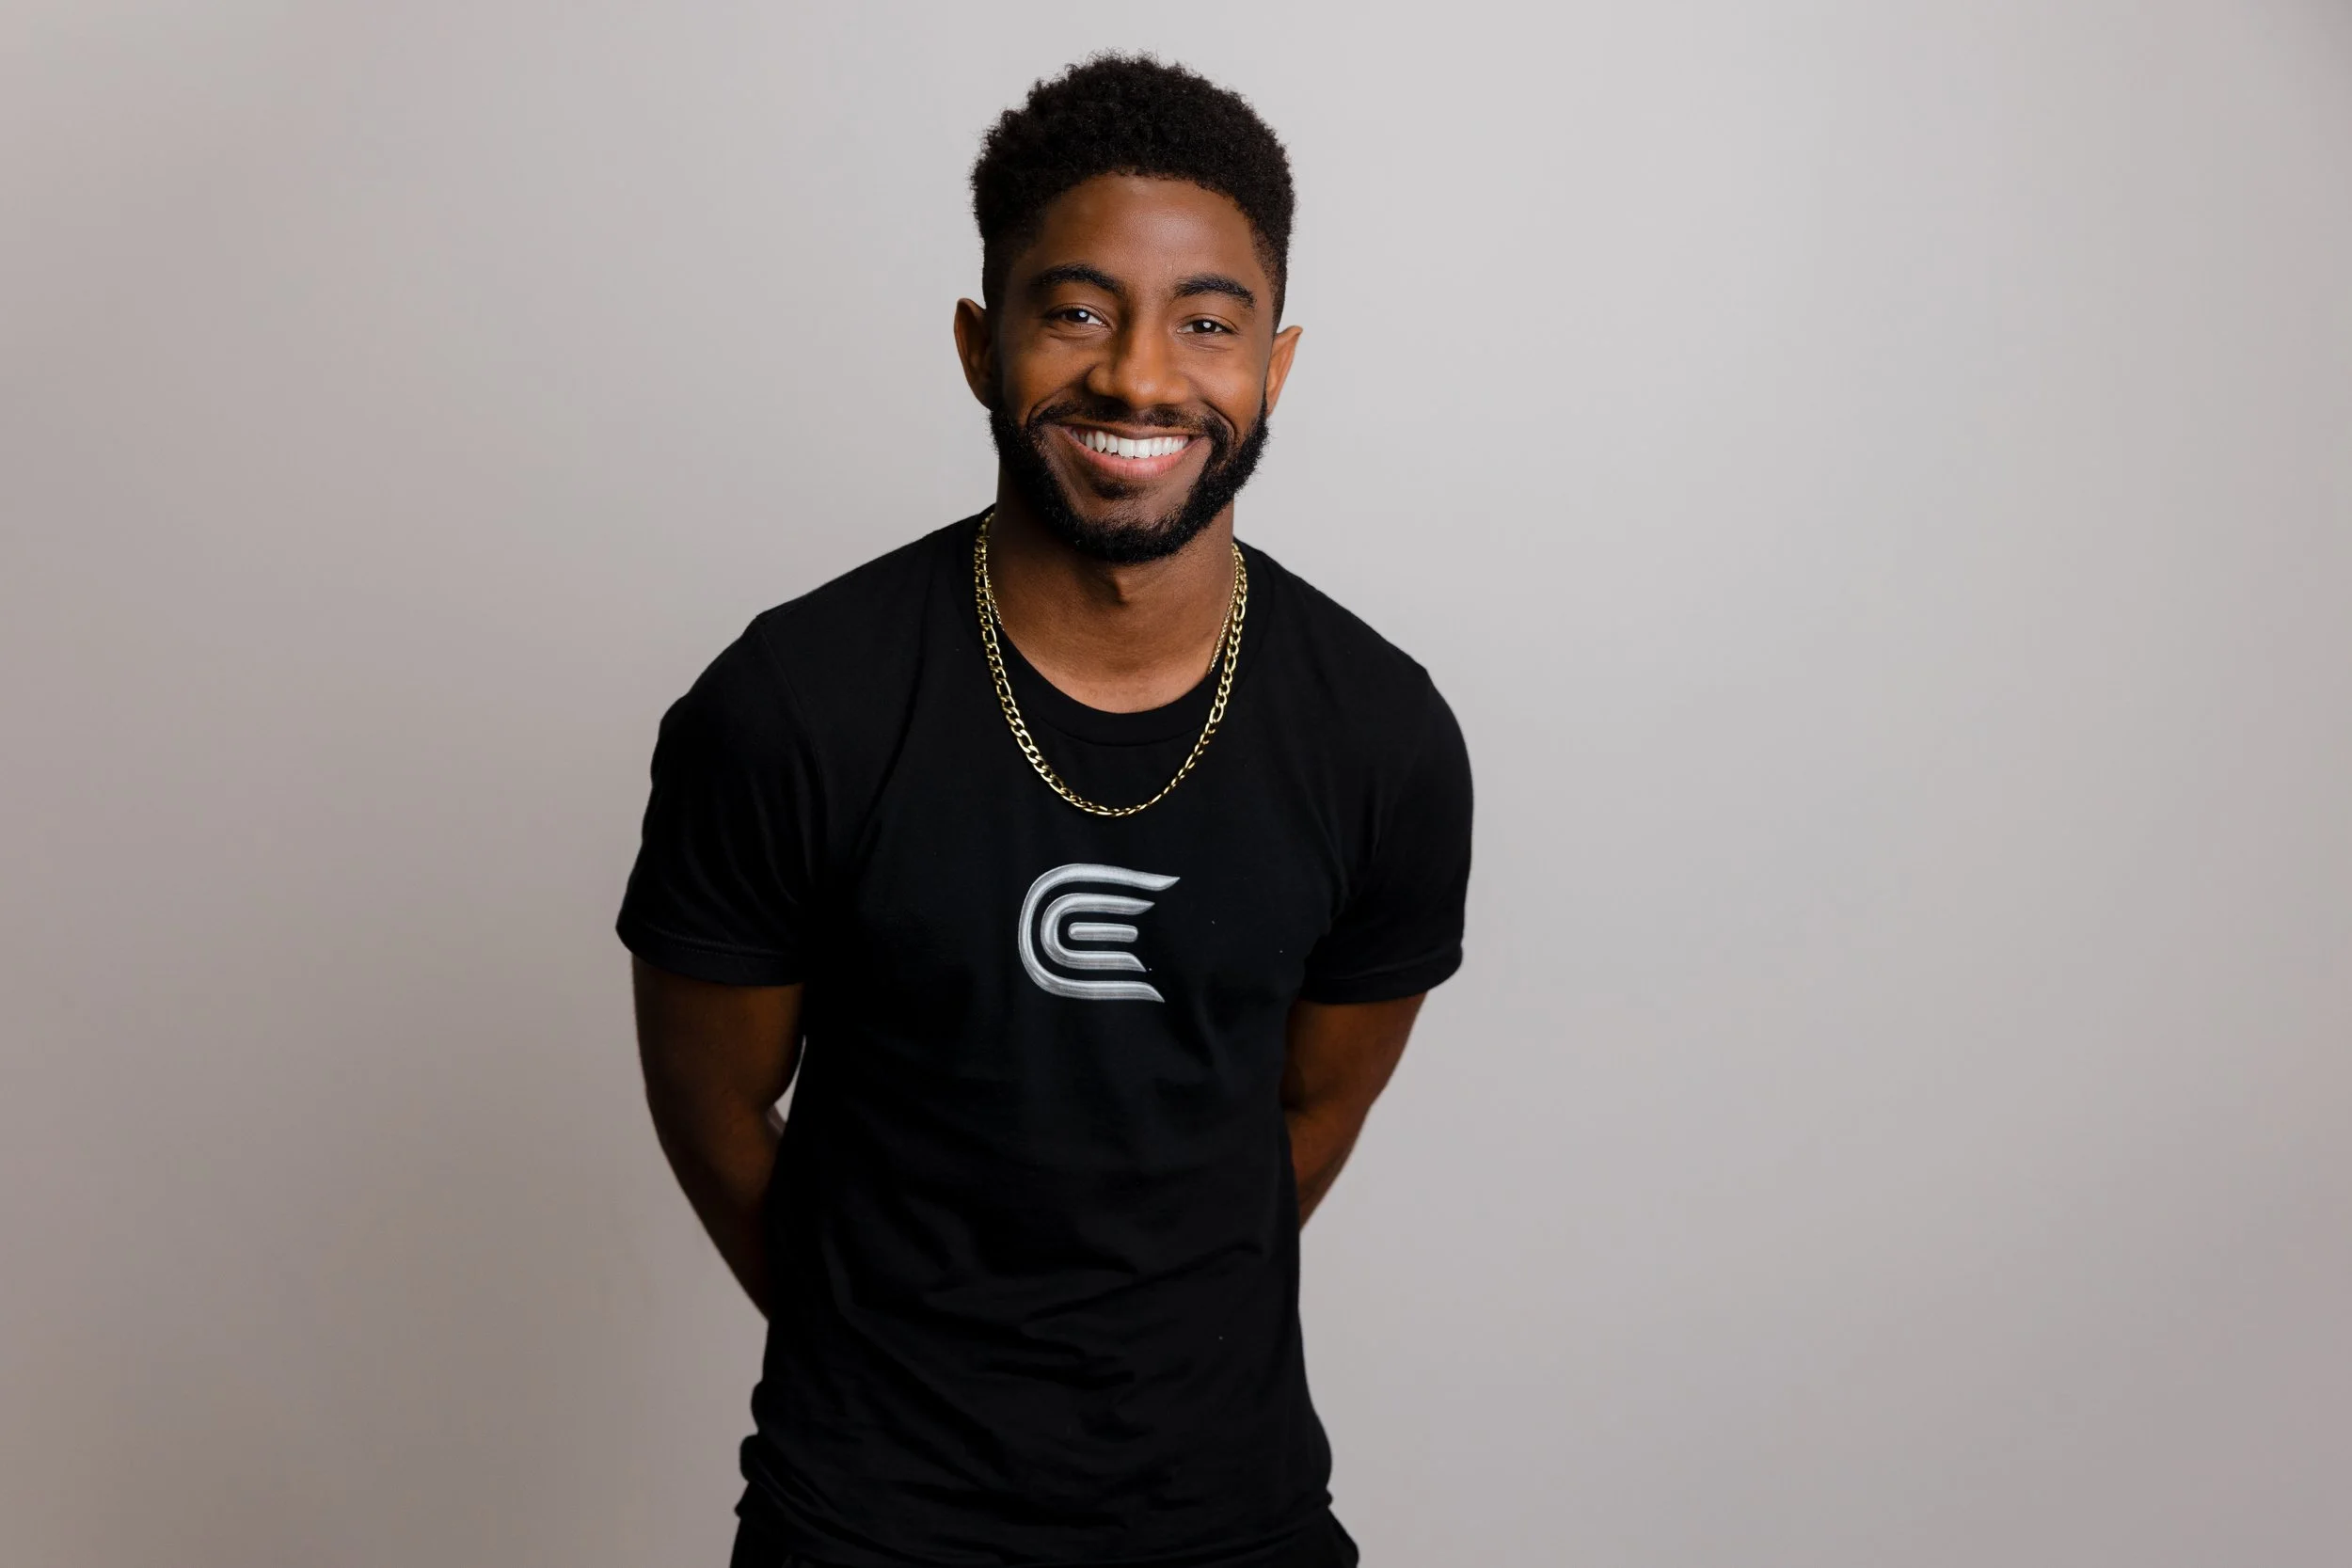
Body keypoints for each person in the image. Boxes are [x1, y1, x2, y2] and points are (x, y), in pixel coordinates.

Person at [618, 54, 1473, 1568]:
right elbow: (713, 1105)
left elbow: (1316, 1105)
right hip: (862, 1519)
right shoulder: (793, 704)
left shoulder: (1382, 734)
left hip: (1232, 1514)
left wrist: (1144, 1342)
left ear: (1272, 366)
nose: (1141, 377)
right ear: (978, 343)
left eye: (1205, 324)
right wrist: (906, 1363)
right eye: (1077, 311)